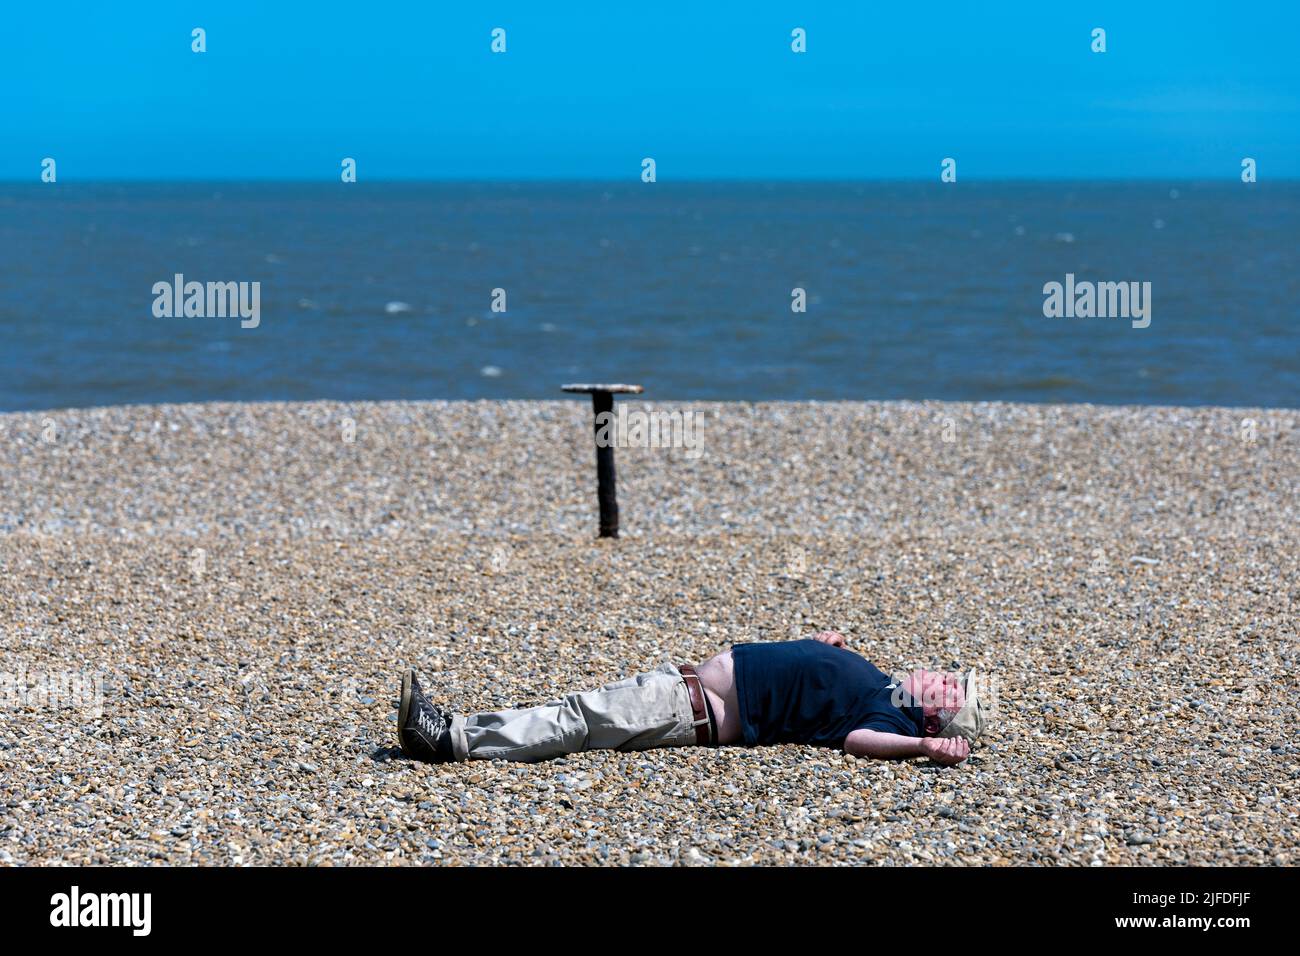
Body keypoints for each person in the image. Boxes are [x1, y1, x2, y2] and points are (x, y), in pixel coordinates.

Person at [397, 631, 986, 766]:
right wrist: (820, 644)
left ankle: (447, 738)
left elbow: (858, 741)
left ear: (934, 712)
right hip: (686, 689)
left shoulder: (886, 715)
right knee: (579, 713)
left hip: (694, 707)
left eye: (945, 687)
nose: (938, 674)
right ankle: (458, 729)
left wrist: (920, 748)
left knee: (579, 720)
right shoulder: (876, 680)